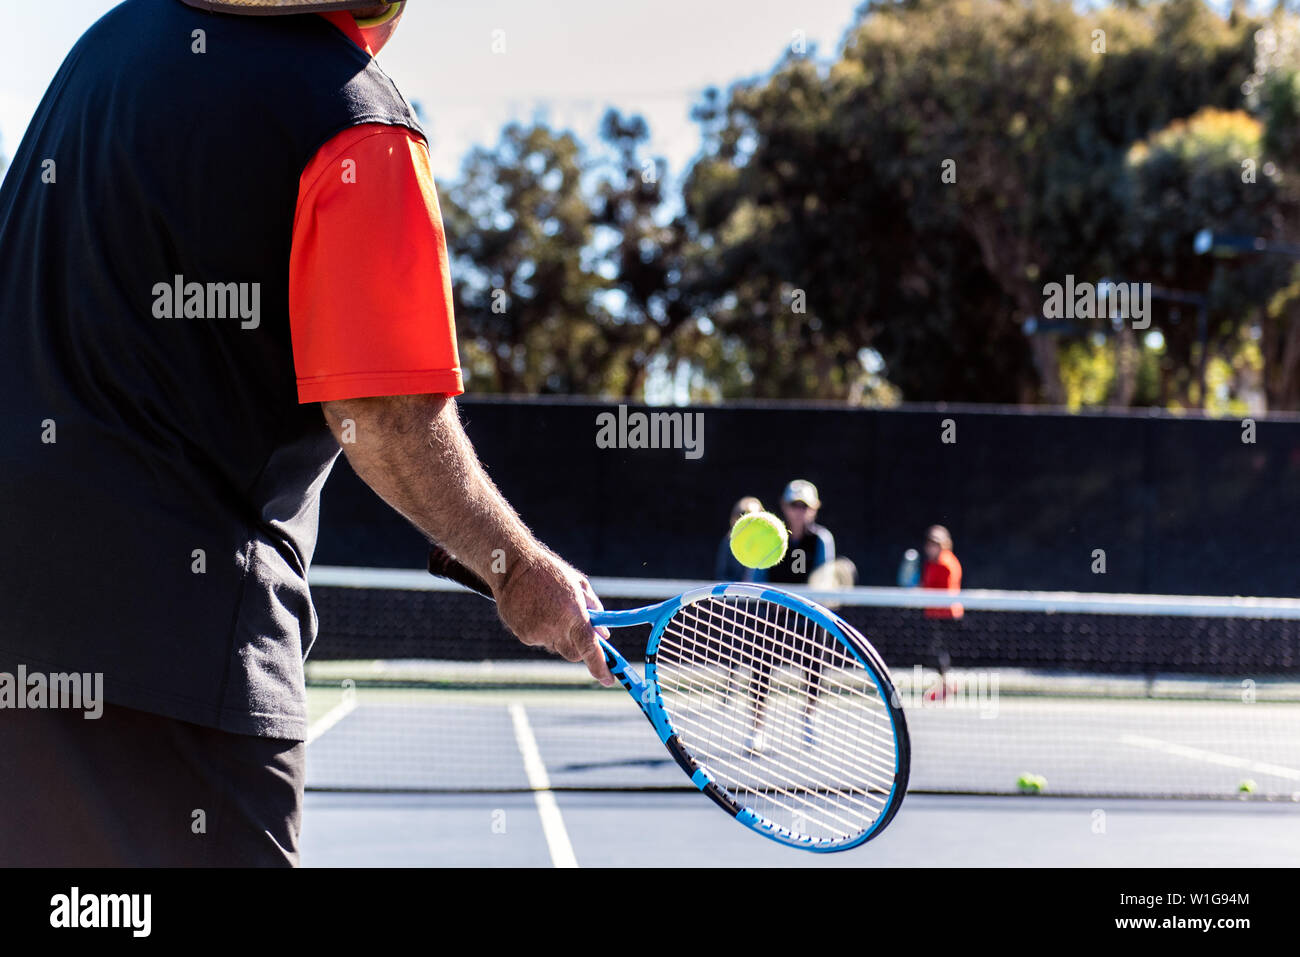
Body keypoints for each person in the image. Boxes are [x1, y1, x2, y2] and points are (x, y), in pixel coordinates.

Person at [0, 0, 611, 867]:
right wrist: (521, 573)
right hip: (183, 658)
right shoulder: (357, 120)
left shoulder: (103, 48)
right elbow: (389, 420)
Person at [747, 480, 838, 751]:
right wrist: (775, 602)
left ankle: (809, 719)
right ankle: (757, 729)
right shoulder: (771, 537)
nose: (799, 511)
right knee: (760, 671)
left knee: (814, 670)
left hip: (809, 619)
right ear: (785, 507)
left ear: (814, 509)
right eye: (794, 505)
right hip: (772, 617)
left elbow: (824, 582)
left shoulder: (821, 539)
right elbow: (758, 579)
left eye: (805, 506)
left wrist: (804, 603)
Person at [920, 525, 963, 701]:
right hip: (932, 615)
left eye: (935, 543)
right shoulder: (930, 563)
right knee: (935, 653)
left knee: (940, 654)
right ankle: (946, 686)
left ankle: (947, 687)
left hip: (947, 616)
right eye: (930, 543)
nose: (931, 547)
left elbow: (944, 591)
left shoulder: (947, 564)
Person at [715, 496, 764, 581]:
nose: (746, 522)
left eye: (753, 518)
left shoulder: (771, 546)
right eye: (741, 514)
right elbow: (722, 577)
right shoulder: (727, 544)